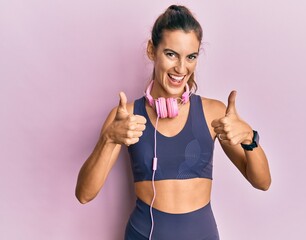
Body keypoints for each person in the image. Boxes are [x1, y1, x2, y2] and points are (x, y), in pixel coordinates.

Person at [76, 5, 271, 240]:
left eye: (191, 57)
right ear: (151, 50)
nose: (181, 68)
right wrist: (108, 139)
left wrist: (250, 138)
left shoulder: (213, 113)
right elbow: (84, 194)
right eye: (171, 54)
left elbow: (262, 182)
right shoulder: (126, 116)